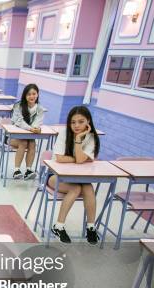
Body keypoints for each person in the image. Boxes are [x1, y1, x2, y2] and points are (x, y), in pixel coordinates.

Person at [49, 106, 101, 245]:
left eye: (81, 121)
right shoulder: (64, 133)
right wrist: (79, 158)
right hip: (55, 176)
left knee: (88, 188)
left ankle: (91, 227)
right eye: (73, 122)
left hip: (80, 178)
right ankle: (58, 227)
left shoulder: (91, 137)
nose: (76, 125)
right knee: (75, 189)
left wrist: (78, 140)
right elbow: (60, 159)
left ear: (88, 121)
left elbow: (82, 159)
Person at [10, 83, 45, 180]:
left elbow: (38, 122)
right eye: (29, 94)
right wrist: (31, 129)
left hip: (29, 137)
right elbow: (19, 121)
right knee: (24, 142)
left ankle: (28, 170)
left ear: (37, 95)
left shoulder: (40, 109)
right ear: (25, 96)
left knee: (32, 143)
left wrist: (35, 128)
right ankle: (16, 170)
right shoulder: (18, 106)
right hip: (12, 137)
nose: (32, 96)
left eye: (34, 94)